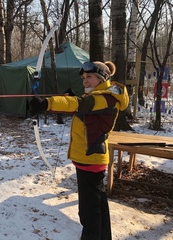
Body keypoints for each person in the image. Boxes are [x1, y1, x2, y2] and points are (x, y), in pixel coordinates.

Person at [30, 61, 129, 240]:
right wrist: (70, 100)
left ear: (101, 78)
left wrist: (46, 103)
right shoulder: (99, 97)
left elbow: (79, 104)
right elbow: (83, 111)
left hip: (90, 160)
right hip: (89, 159)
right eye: (83, 78)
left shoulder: (105, 98)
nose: (85, 81)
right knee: (98, 206)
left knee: (89, 212)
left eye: (89, 77)